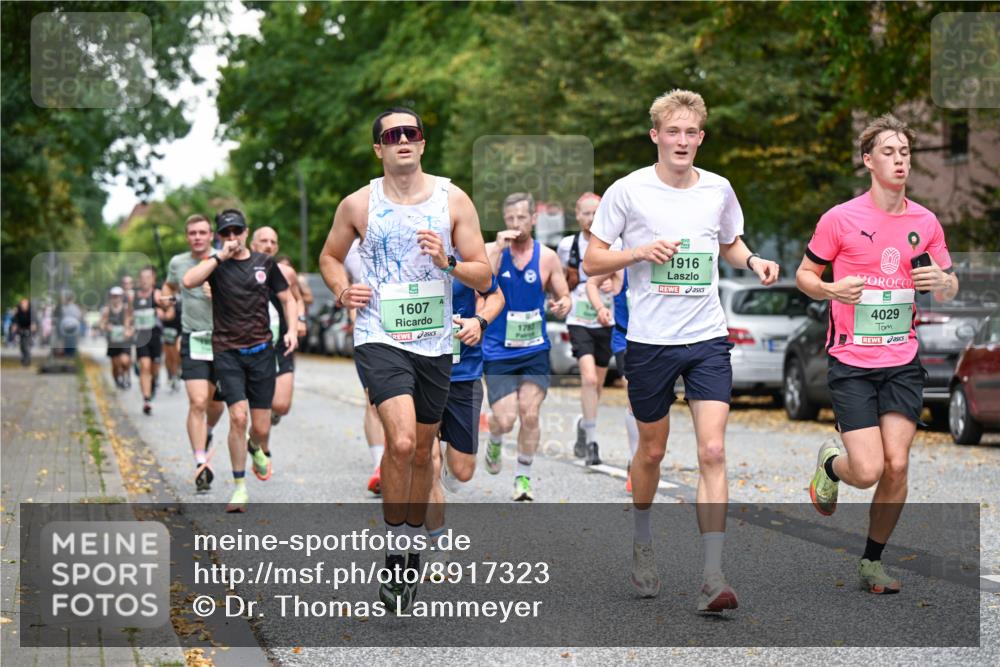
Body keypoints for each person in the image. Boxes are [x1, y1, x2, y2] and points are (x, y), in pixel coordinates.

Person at [583, 89, 779, 612]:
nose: (683, 141)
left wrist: (753, 260)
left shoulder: (717, 189)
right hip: (650, 341)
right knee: (652, 451)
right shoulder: (628, 192)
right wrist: (639, 251)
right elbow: (593, 263)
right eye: (674, 131)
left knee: (712, 451)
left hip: (707, 338)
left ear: (701, 137)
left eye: (692, 132)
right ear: (656, 136)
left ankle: (713, 575)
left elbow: (729, 243)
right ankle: (643, 540)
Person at [318, 107, 492, 612]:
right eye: (391, 135)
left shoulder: (452, 200)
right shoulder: (358, 204)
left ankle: (411, 544)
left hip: (435, 344)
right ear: (379, 148)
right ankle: (396, 554)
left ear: (422, 143)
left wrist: (448, 262)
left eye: (410, 134)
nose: (402, 141)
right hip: (378, 335)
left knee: (422, 453)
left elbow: (483, 276)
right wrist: (343, 288)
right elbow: (329, 256)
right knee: (398, 440)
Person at [796, 113, 958, 595]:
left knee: (898, 464)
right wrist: (829, 289)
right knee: (866, 471)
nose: (899, 159)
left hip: (901, 361)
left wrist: (943, 283)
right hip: (852, 362)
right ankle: (831, 464)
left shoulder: (925, 222)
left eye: (905, 152)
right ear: (869, 161)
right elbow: (806, 273)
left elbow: (947, 286)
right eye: (889, 152)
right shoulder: (840, 218)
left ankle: (872, 561)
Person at [183, 209, 298, 512]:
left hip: (261, 352)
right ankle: (239, 487)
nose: (232, 238)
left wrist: (292, 331)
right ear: (219, 237)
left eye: (236, 232)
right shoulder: (214, 265)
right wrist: (219, 257)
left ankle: (255, 447)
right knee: (237, 418)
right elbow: (188, 281)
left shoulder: (264, 264)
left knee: (260, 428)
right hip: (227, 353)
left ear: (246, 232)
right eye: (226, 233)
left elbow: (288, 298)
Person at [482, 192, 572, 501]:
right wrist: (497, 248)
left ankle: (523, 477)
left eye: (522, 218)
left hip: (534, 349)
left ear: (533, 219)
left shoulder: (546, 257)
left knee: (529, 414)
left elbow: (564, 294)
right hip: (497, 349)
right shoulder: (491, 250)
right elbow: (483, 283)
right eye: (510, 219)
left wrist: (563, 304)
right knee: (505, 420)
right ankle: (494, 438)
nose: (516, 224)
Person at [424, 269, 505, 568]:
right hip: (420, 374)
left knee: (462, 471)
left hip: (463, 374)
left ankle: (448, 462)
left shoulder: (463, 260)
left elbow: (495, 295)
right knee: (426, 462)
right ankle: (439, 545)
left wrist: (479, 321)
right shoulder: (400, 258)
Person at [163, 214, 226, 492]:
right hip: (193, 339)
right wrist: (163, 297)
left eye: (202, 232)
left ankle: (208, 433)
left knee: (217, 405)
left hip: (224, 341)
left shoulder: (224, 258)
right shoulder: (178, 263)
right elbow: (169, 285)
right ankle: (200, 462)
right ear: (187, 236)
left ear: (211, 235)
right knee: (198, 402)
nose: (197, 237)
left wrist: (222, 294)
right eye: (192, 233)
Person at [557, 192, 618, 465]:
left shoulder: (614, 244)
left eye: (596, 213)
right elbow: (557, 278)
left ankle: (585, 424)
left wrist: (612, 283)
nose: (591, 219)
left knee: (599, 385)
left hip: (606, 319)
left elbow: (621, 277)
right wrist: (560, 297)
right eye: (586, 213)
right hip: (578, 318)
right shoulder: (567, 245)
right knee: (589, 379)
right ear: (577, 215)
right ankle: (593, 443)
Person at [586, 268, 639, 493]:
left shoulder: (661, 263)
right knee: (634, 397)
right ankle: (634, 463)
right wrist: (600, 308)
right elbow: (591, 282)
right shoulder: (621, 267)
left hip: (658, 340)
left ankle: (644, 457)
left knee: (654, 402)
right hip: (626, 338)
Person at [248, 228, 305, 426]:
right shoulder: (241, 271)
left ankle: (270, 417)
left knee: (281, 405)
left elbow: (298, 300)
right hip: (250, 344)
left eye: (273, 242)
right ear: (252, 245)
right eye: (264, 241)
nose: (269, 245)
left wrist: (299, 322)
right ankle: (258, 436)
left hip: (280, 342)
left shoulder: (287, 273)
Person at [344, 238, 387, 495]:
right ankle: (379, 466)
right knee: (373, 400)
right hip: (368, 334)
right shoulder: (348, 247)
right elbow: (332, 266)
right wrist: (345, 294)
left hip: (408, 332)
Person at [133, 266, 170, 415]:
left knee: (154, 367)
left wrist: (162, 312)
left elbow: (169, 311)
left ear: (153, 280)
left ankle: (153, 381)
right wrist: (128, 326)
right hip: (141, 336)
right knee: (144, 366)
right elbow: (129, 315)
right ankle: (146, 400)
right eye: (142, 278)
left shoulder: (157, 294)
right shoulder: (133, 297)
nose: (145, 281)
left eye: (148, 278)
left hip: (155, 336)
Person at [101, 287, 133, 388]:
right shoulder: (107, 310)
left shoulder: (126, 309)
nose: (116, 298)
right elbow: (102, 324)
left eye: (118, 296)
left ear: (121, 297)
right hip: (113, 341)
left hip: (124, 340)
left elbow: (131, 324)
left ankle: (126, 376)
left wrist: (128, 331)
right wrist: (107, 327)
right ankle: (116, 379)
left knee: (125, 361)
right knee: (115, 364)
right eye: (114, 296)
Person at [160, 287, 182, 393]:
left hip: (178, 331)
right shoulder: (163, 299)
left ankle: (175, 374)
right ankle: (171, 375)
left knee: (176, 356)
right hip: (167, 331)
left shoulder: (180, 299)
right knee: (168, 356)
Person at [13, 298, 33, 366]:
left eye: (25, 303)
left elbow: (34, 319)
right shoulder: (18, 311)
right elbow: (15, 319)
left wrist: (34, 325)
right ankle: (23, 358)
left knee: (26, 345)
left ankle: (27, 360)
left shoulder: (31, 311)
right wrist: (15, 325)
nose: (23, 305)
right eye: (22, 304)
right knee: (22, 346)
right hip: (21, 329)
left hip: (29, 329)